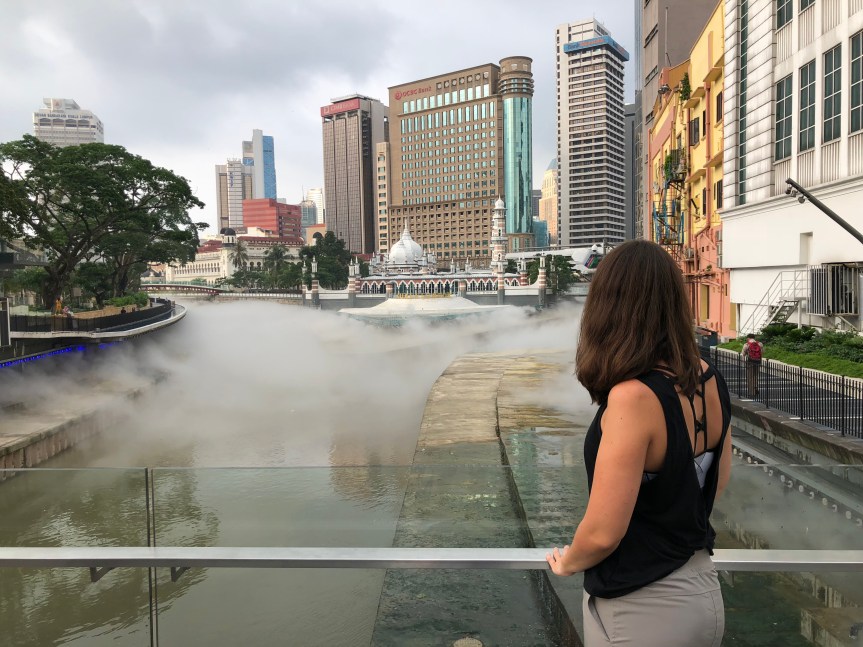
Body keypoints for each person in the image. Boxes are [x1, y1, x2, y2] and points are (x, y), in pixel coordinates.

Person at [546, 240, 732, 647]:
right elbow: (715, 482)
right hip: (702, 590)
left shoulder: (633, 397)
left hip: (643, 606)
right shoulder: (708, 377)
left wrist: (568, 562)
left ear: (608, 307)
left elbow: (603, 533)